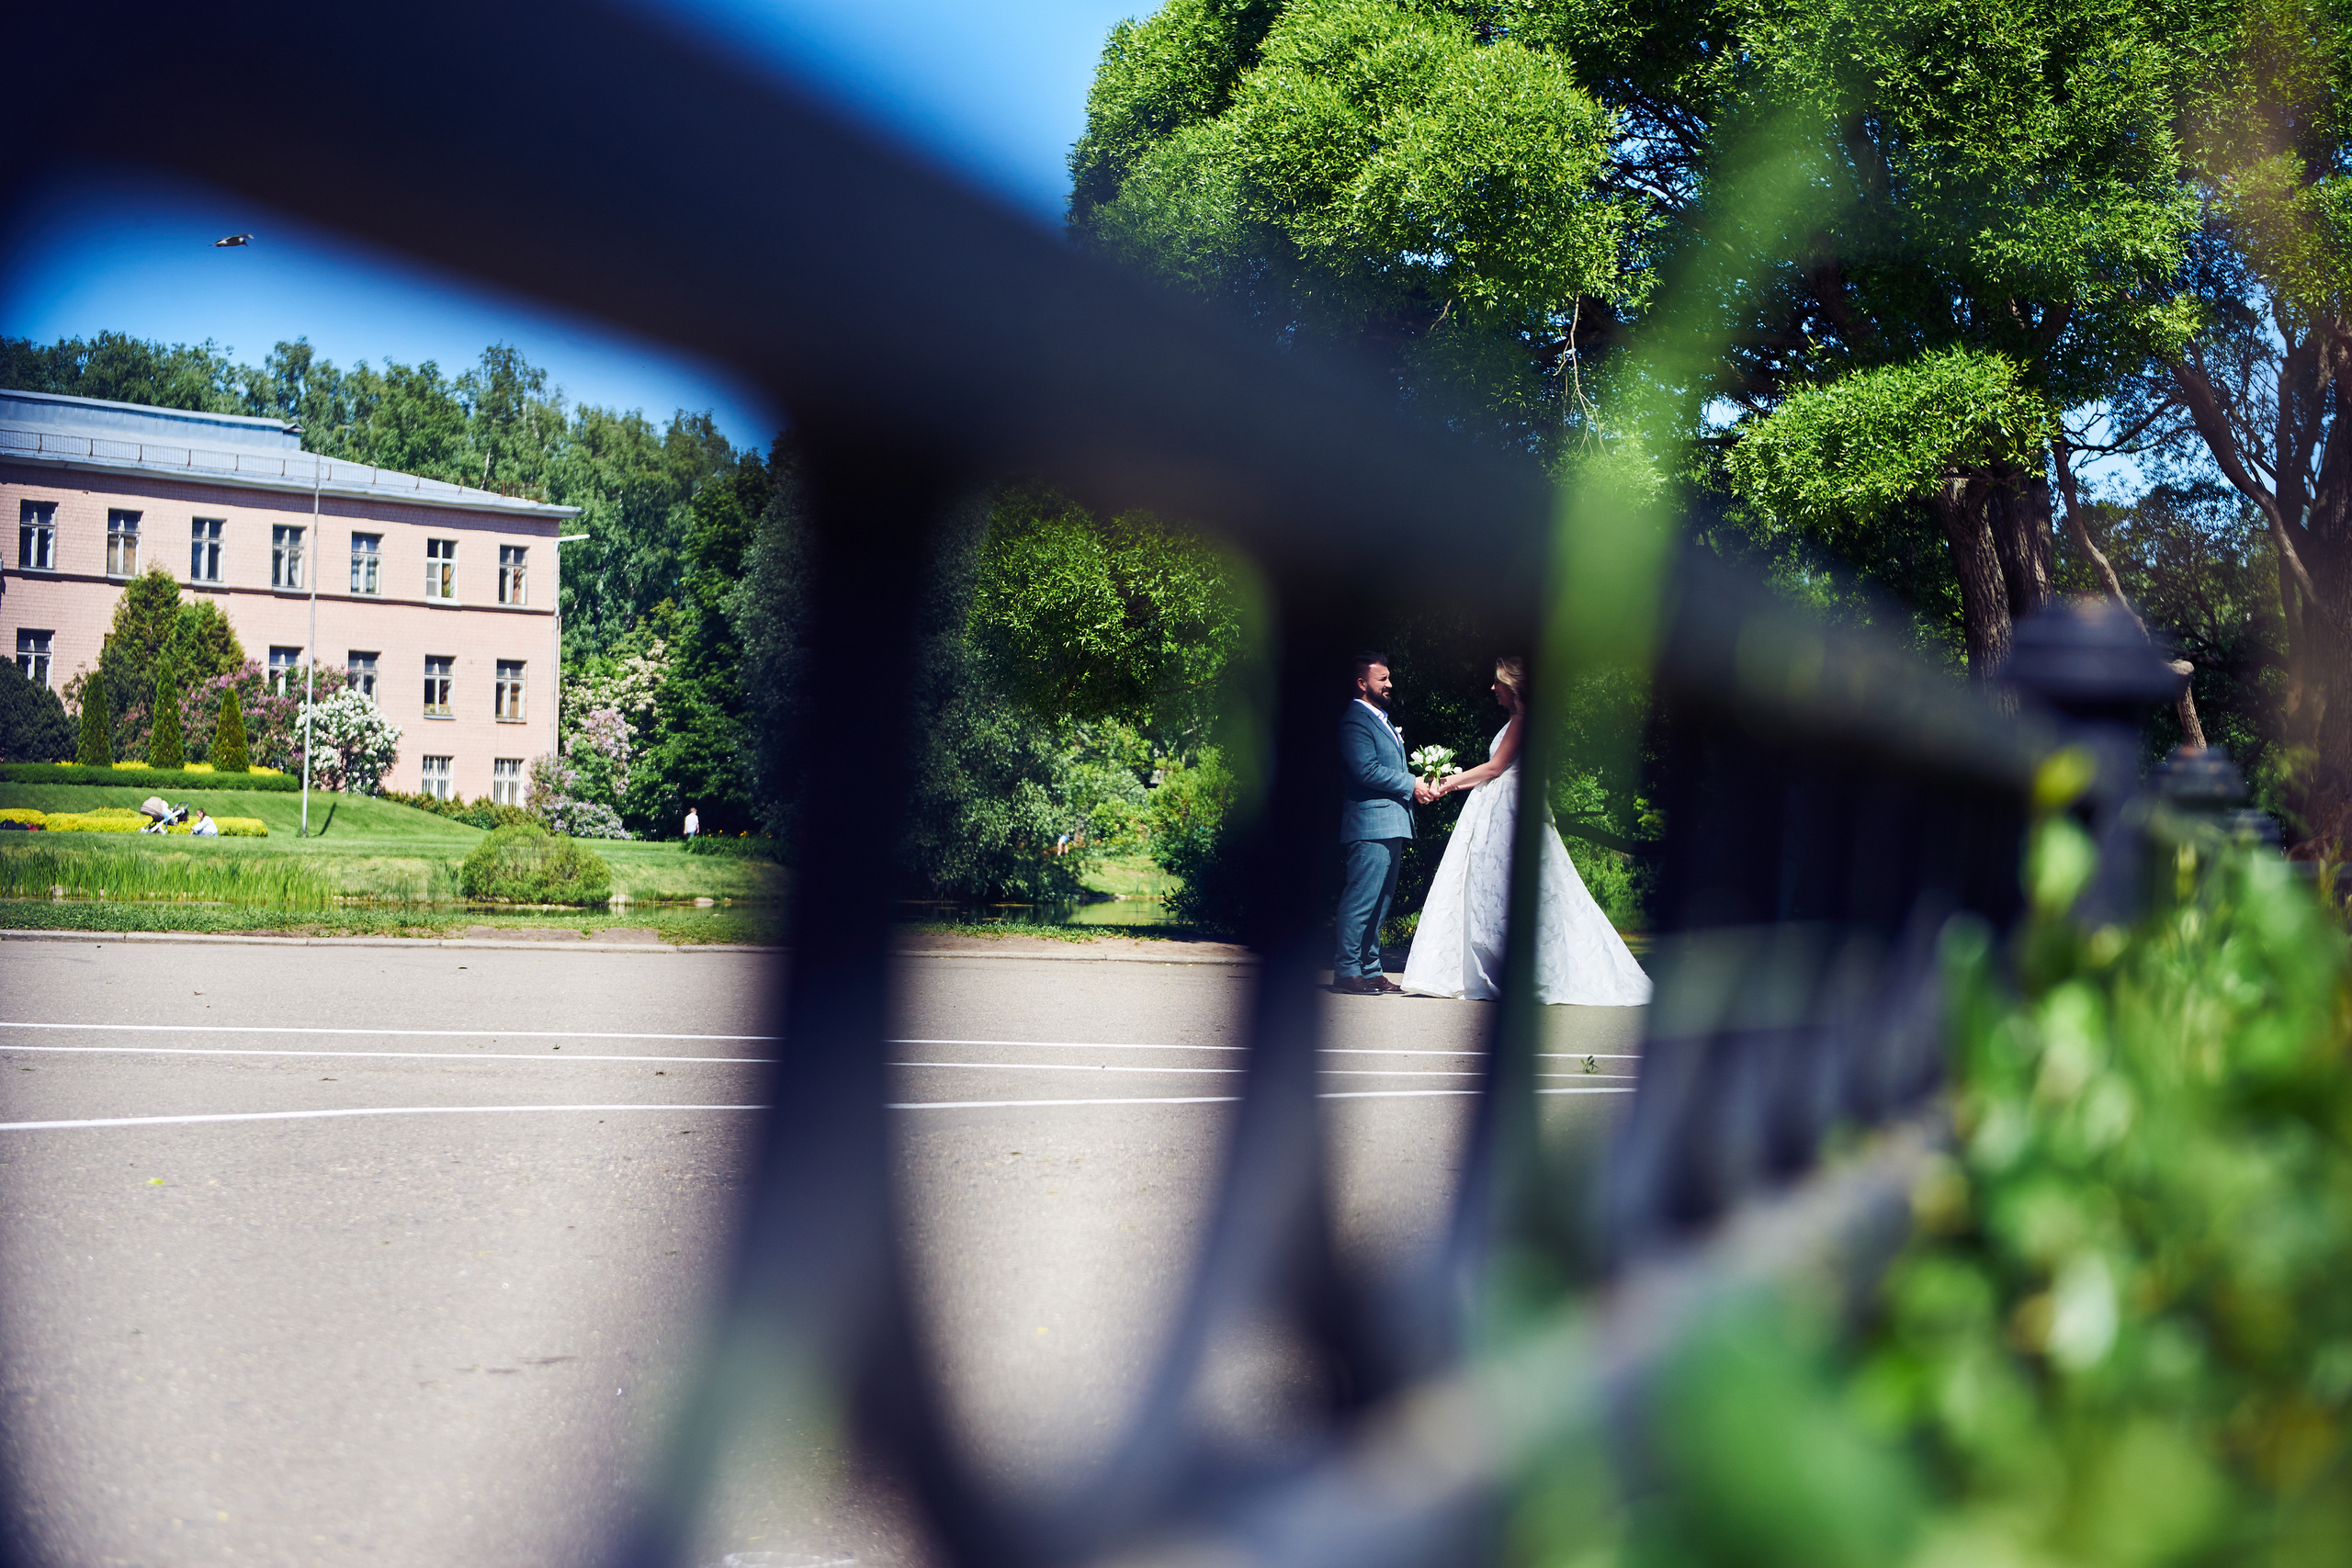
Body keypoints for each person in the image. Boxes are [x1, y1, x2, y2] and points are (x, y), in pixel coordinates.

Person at [1399, 658, 1651, 1007]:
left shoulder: (1523, 719)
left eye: (1497, 682)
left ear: (1512, 685)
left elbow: (1495, 767)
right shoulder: (1517, 720)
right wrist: (1449, 784)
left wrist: (1444, 783)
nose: (1492, 688)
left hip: (1509, 809)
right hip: (1497, 806)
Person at [1334, 651, 1436, 996]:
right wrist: (1412, 784)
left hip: (1392, 822)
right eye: (1383, 679)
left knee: (1380, 903)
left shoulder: (1383, 720)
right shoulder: (1354, 721)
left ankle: (1371, 969)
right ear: (1362, 683)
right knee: (1361, 901)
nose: (1390, 684)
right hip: (1369, 824)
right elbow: (1365, 771)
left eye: (1389, 677)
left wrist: (1417, 788)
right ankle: (1347, 970)